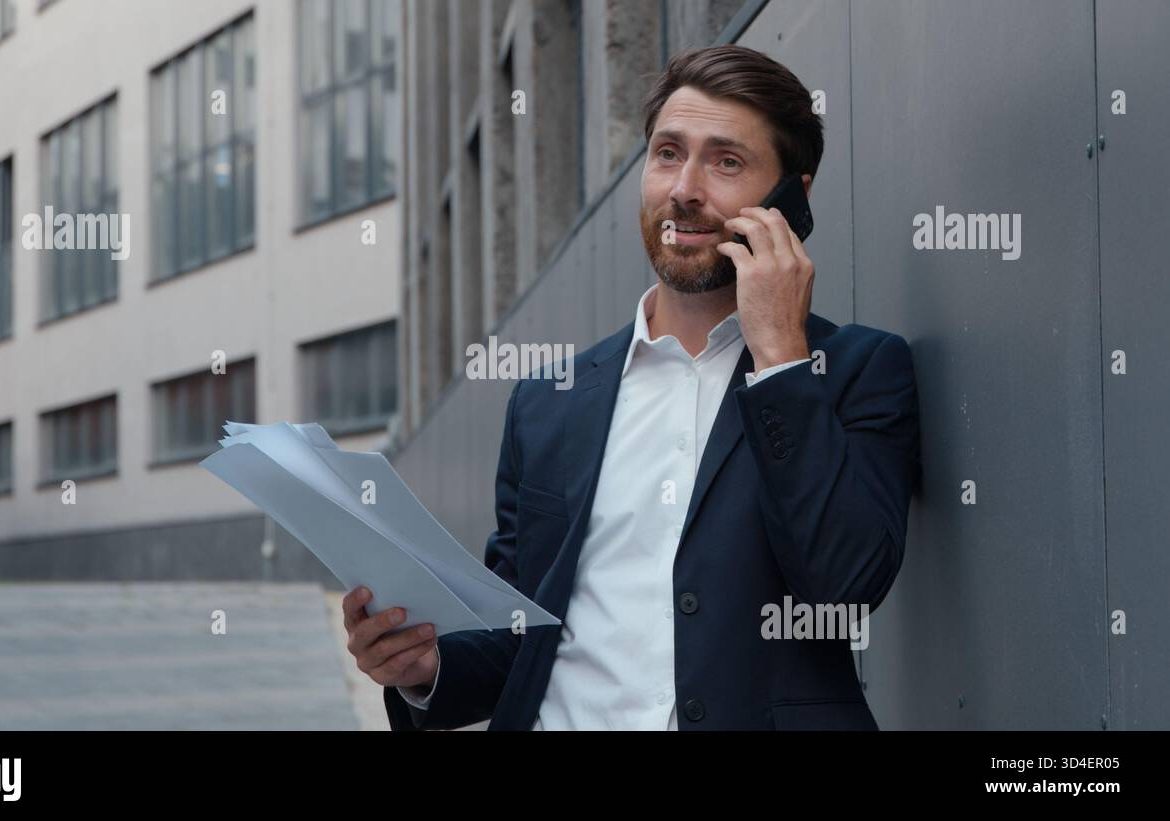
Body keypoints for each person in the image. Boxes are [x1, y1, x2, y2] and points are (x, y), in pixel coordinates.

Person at [344, 44, 921, 730]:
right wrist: (424, 670)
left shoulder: (857, 370)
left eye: (726, 161)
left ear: (792, 198)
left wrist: (780, 358)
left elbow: (845, 588)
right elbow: (519, 641)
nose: (685, 187)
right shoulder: (546, 401)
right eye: (668, 153)